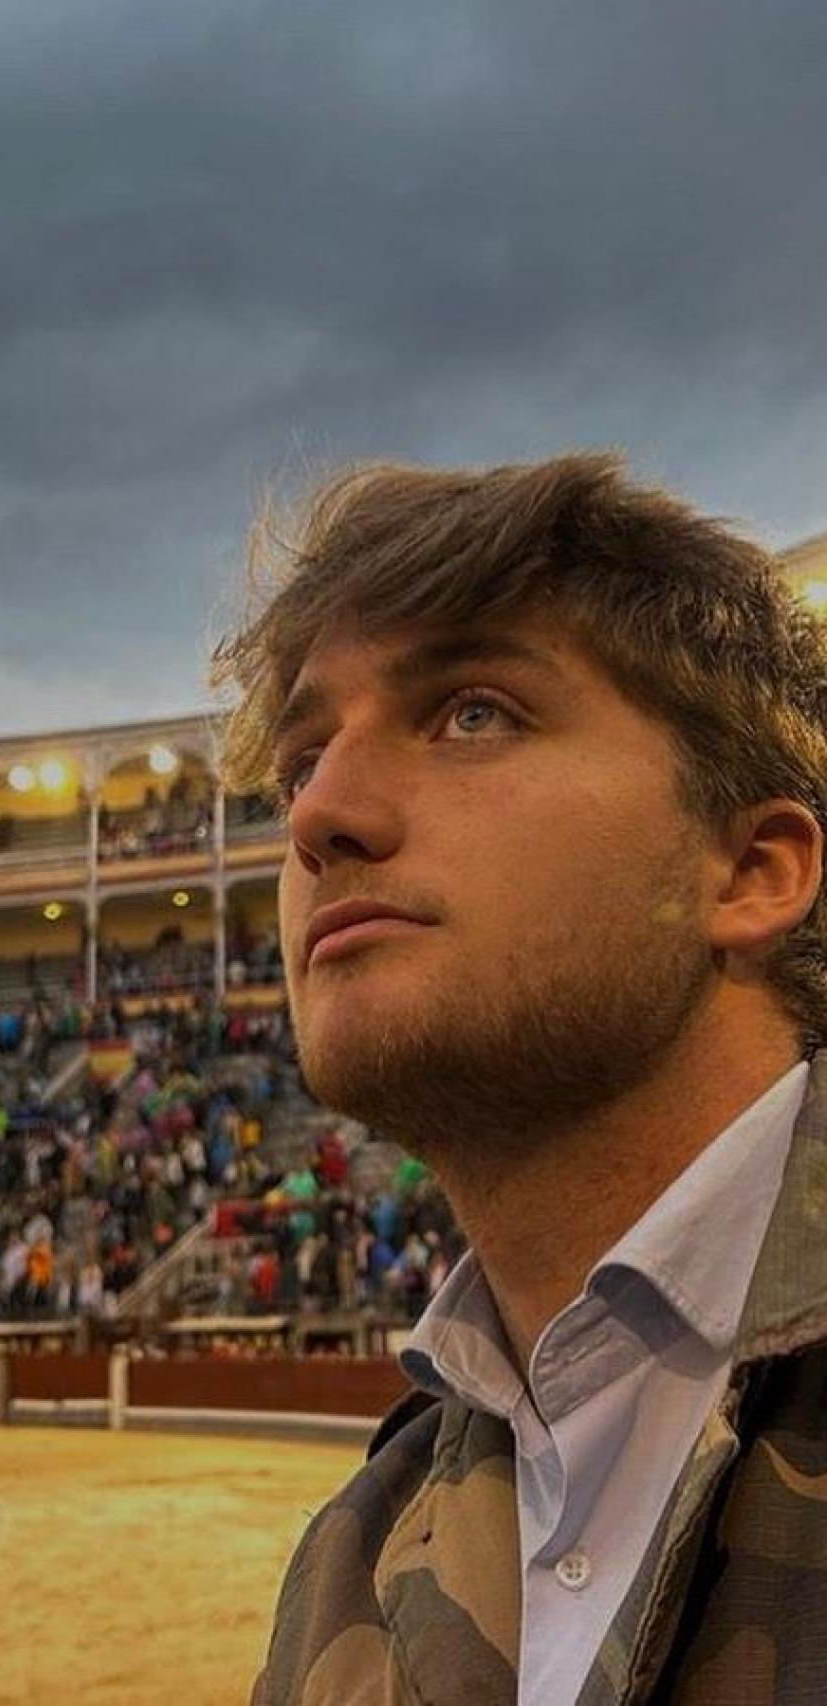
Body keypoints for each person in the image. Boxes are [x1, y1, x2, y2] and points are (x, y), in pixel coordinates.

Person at [212, 453, 827, 1703]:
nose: (319, 813)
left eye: (472, 711)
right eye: (300, 761)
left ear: (750, 867)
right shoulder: (351, 1552)